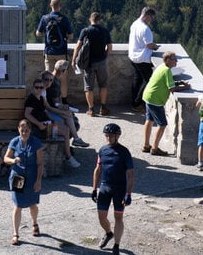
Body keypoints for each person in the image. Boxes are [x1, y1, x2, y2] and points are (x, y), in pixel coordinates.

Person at [92, 123, 135, 255]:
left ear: (117, 136)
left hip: (120, 189)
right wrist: (94, 189)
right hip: (105, 187)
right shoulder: (102, 150)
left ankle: (116, 245)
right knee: (101, 217)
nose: (108, 137)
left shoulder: (124, 152)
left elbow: (131, 174)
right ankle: (108, 233)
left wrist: (128, 193)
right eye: (106, 135)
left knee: (118, 217)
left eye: (111, 135)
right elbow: (98, 169)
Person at [4, 119, 44, 246]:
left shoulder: (36, 143)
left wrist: (38, 181)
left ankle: (34, 223)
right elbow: (5, 158)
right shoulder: (14, 142)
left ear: (30, 131)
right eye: (22, 131)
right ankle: (15, 233)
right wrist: (13, 160)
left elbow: (40, 163)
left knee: (32, 204)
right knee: (18, 205)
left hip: (32, 177)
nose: (24, 133)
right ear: (18, 130)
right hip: (18, 177)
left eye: (27, 130)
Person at [24, 77, 80, 168]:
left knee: (67, 127)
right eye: (36, 87)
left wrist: (53, 120)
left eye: (41, 88)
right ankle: (69, 157)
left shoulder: (41, 98)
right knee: (65, 131)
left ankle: (67, 152)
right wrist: (38, 124)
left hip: (47, 122)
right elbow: (27, 114)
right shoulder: (31, 100)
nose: (39, 89)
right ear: (33, 88)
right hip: (39, 127)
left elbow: (45, 111)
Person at [142, 51, 189, 156]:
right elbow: (171, 88)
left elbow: (166, 82)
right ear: (167, 60)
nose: (176, 61)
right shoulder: (167, 70)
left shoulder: (161, 67)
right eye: (174, 59)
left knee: (149, 120)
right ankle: (154, 148)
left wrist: (178, 82)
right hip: (156, 100)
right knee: (162, 124)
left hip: (148, 96)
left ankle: (146, 145)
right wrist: (185, 87)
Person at [73, 12, 113, 116]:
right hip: (102, 62)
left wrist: (74, 60)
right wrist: (104, 56)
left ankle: (91, 109)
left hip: (89, 63)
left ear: (90, 19)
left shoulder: (85, 31)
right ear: (100, 20)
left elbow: (78, 46)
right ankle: (103, 108)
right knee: (103, 85)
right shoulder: (105, 31)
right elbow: (109, 48)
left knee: (89, 87)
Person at [35, 0, 74, 103]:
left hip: (49, 52)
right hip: (61, 52)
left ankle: (46, 99)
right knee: (63, 78)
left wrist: (45, 33)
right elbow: (70, 36)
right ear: (60, 6)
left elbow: (38, 33)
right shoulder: (64, 19)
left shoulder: (45, 18)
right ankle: (64, 100)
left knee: (48, 78)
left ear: (50, 5)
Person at [43, 65, 90, 148]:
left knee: (69, 117)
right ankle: (73, 143)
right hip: (44, 114)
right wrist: (63, 110)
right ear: (64, 71)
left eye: (50, 80)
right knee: (68, 122)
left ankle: (74, 141)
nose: (49, 82)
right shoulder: (46, 88)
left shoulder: (47, 87)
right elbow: (49, 107)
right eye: (46, 80)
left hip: (47, 111)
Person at [128, 6, 160, 112]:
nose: (151, 20)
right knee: (149, 81)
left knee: (137, 80)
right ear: (146, 15)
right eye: (151, 17)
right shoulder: (145, 29)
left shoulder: (135, 23)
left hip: (133, 57)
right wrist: (156, 46)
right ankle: (138, 103)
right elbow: (149, 45)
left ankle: (134, 102)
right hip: (143, 58)